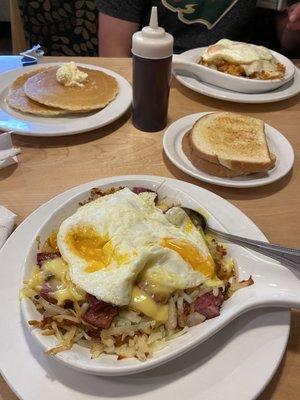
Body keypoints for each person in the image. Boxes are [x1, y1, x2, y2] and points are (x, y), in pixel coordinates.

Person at [97, 0, 300, 56]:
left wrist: (294, 27)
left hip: (241, 82)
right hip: (157, 78)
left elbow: (285, 39)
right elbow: (114, 56)